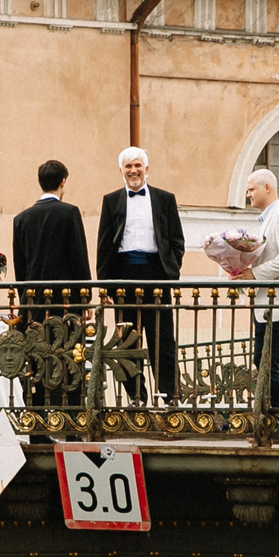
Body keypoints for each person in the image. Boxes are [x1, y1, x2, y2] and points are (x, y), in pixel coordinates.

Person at [94, 146, 185, 403]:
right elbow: (104, 244)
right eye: (128, 166)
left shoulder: (165, 198)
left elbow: (176, 241)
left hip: (156, 275)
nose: (133, 170)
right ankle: (136, 397)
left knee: (162, 339)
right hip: (123, 276)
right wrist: (105, 285)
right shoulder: (111, 200)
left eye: (137, 165)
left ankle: (170, 396)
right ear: (121, 171)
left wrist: (170, 272)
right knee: (127, 341)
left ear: (146, 169)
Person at [10, 160, 92, 408]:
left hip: (33, 303)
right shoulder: (70, 212)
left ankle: (37, 416)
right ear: (62, 182)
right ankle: (71, 416)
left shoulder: (21, 219)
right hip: (66, 303)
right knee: (70, 359)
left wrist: (25, 300)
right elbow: (79, 258)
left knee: (36, 361)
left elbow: (20, 267)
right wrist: (85, 298)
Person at [228, 166, 279, 411]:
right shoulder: (268, 219)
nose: (248, 195)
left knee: (264, 359)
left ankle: (278, 413)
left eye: (251, 189)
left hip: (278, 302)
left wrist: (254, 274)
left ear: (267, 188)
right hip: (268, 302)